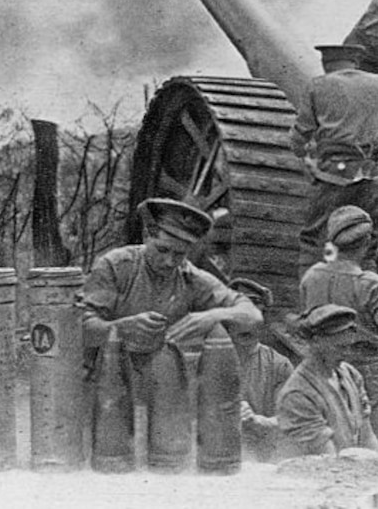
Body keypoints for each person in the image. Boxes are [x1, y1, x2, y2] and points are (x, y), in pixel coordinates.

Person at [81, 198, 262, 468]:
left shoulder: (192, 279)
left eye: (179, 254)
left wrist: (211, 315)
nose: (169, 261)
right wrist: (120, 329)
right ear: (147, 236)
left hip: (165, 399)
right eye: (162, 250)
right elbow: (80, 329)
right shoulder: (115, 267)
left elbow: (252, 316)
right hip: (108, 397)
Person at [299, 205, 378, 449]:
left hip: (318, 366)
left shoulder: (311, 276)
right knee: (369, 436)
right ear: (367, 243)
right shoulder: (370, 283)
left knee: (325, 434)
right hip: (362, 369)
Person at [290, 44, 378, 272]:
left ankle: (318, 298)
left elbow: (301, 134)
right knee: (368, 243)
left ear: (326, 63)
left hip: (335, 177)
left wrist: (305, 158)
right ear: (354, 61)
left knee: (316, 241)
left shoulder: (318, 86)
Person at [276, 304, 378, 457]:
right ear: (316, 342)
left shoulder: (350, 374)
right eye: (339, 347)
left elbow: (367, 435)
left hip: (352, 470)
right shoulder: (298, 394)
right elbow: (326, 459)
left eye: (349, 346)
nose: (347, 354)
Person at [227, 278, 293, 463]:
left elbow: (290, 422)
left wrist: (257, 421)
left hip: (262, 458)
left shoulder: (279, 365)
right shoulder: (206, 360)